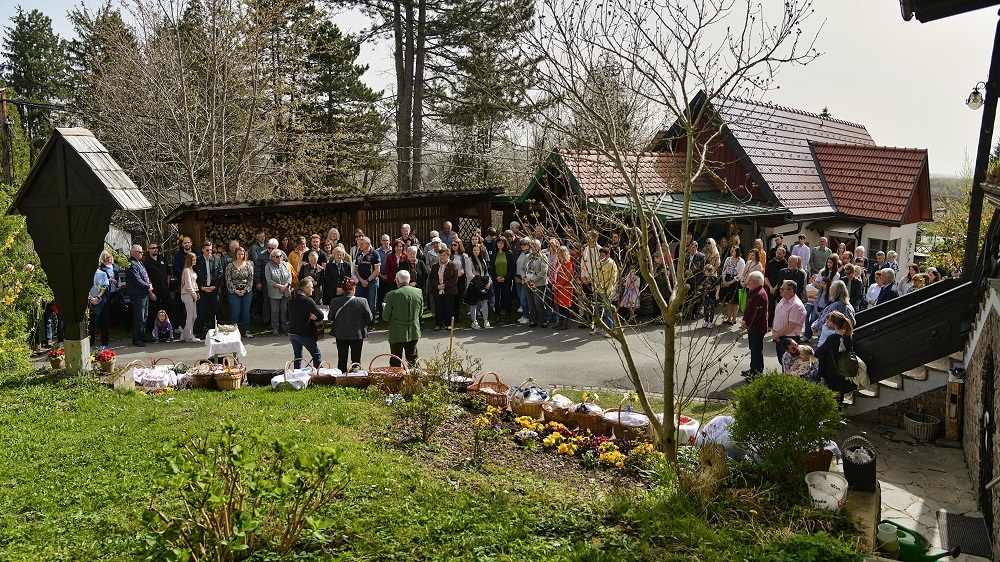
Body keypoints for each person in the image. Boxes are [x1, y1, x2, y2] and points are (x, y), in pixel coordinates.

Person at [329, 278, 373, 372]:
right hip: (357, 332)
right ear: (353, 288)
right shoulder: (362, 301)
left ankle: (341, 375)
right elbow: (369, 318)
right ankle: (355, 375)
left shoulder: (334, 301)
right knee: (356, 360)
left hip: (341, 332)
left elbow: (330, 318)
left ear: (342, 289)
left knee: (342, 358)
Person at [384, 270, 423, 367]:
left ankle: (397, 377)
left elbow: (385, 316)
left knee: (395, 359)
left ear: (397, 280)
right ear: (409, 280)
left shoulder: (391, 295)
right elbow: (420, 312)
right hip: (413, 330)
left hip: (397, 332)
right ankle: (415, 375)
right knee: (413, 359)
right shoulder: (418, 292)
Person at [815, 310, 856, 402]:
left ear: (834, 325)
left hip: (831, 371)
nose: (827, 323)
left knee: (830, 395)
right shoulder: (848, 336)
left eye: (829, 321)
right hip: (843, 370)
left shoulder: (832, 339)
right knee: (839, 395)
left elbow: (818, 352)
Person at [287, 277, 324, 370]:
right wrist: (312, 317)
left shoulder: (291, 298)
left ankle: (296, 374)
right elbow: (321, 316)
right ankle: (318, 374)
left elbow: (287, 315)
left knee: (298, 356)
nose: (312, 289)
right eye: (311, 287)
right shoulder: (307, 300)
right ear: (306, 288)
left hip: (292, 332)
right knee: (316, 354)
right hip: (303, 333)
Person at [811, 279, 855, 347]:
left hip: (830, 336)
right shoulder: (847, 304)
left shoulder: (837, 305)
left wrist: (815, 326)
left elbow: (826, 318)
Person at [126, 244, 155, 347]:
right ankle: (137, 339)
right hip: (137, 294)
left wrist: (149, 284)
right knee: (139, 317)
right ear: (134, 253)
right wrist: (147, 286)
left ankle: (142, 336)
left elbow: (146, 276)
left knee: (144, 316)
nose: (142, 254)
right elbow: (137, 279)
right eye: (140, 252)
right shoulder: (131, 264)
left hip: (144, 293)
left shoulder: (140, 263)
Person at [741, 271, 768, 377]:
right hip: (752, 327)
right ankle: (753, 369)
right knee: (753, 349)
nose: (748, 283)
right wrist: (744, 319)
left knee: (757, 350)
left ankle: (757, 373)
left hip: (757, 328)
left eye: (750, 281)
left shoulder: (759, 295)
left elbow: (757, 314)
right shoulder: (754, 292)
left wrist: (747, 323)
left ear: (756, 282)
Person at [771, 280, 806, 360]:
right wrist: (774, 331)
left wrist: (777, 335)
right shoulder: (783, 300)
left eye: (783, 289)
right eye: (780, 288)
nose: (780, 290)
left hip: (789, 339)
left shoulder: (796, 305)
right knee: (781, 360)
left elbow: (791, 326)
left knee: (789, 362)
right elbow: (776, 317)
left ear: (791, 291)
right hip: (779, 336)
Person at [144, 242, 173, 336]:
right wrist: (150, 292)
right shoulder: (146, 262)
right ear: (149, 250)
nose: (155, 249)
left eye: (156, 248)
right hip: (154, 290)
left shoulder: (163, 259)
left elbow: (168, 272)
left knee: (168, 308)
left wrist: (167, 282)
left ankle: (169, 329)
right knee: (154, 310)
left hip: (164, 289)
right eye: (153, 248)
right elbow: (146, 278)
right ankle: (154, 330)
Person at [225, 246, 255, 338]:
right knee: (235, 311)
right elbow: (228, 280)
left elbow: (251, 279)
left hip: (246, 291)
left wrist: (245, 290)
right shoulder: (230, 266)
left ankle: (247, 330)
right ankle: (233, 332)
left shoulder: (249, 265)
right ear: (235, 255)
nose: (240, 256)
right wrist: (235, 290)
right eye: (239, 254)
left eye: (242, 254)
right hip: (234, 291)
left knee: (246, 311)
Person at [88, 251, 115, 349]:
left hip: (101, 300)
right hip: (90, 301)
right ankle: (91, 341)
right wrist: (91, 298)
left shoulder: (103, 274)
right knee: (90, 323)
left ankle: (105, 341)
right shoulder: (86, 274)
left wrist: (98, 297)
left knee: (104, 321)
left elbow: (104, 287)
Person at [194, 240, 221, 337]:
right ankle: (200, 332)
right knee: (201, 311)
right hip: (202, 290)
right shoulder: (198, 260)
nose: (209, 252)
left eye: (210, 250)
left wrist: (215, 286)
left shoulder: (216, 259)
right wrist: (201, 287)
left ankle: (217, 331)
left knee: (215, 311)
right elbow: (195, 275)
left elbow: (220, 274)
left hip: (213, 290)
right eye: (207, 250)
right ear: (202, 250)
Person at [354, 236, 381, 332]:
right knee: (356, 299)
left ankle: (371, 324)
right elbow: (356, 269)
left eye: (362, 244)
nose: (360, 245)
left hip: (372, 281)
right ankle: (358, 321)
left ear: (368, 244)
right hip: (361, 281)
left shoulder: (375, 254)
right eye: (359, 244)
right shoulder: (359, 254)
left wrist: (368, 280)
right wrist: (361, 280)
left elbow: (377, 270)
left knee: (371, 302)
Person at [591, 246, 619, 336]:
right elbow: (594, 275)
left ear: (608, 255)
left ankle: (610, 330)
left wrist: (607, 289)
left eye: (602, 255)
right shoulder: (598, 263)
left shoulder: (612, 264)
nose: (601, 257)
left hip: (606, 290)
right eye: (600, 255)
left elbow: (613, 278)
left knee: (607, 311)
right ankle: (599, 328)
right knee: (598, 310)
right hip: (597, 289)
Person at [430, 246, 460, 331]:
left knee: (448, 307)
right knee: (438, 307)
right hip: (437, 290)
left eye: (444, 255)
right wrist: (437, 285)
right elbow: (431, 278)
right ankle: (438, 324)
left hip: (449, 290)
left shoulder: (453, 265)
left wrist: (445, 285)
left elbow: (455, 279)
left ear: (448, 256)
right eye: (441, 255)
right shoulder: (435, 266)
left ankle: (448, 324)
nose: (442, 257)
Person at [465, 243, 493, 329]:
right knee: (474, 303)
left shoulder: (483, 260)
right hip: (474, 284)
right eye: (474, 250)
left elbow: (486, 273)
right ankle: (474, 321)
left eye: (477, 250)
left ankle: (486, 320)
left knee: (484, 302)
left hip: (483, 284)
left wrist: (488, 282)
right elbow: (469, 274)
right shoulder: (469, 260)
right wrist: (478, 281)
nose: (476, 252)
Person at [264, 249, 292, 336]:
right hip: (274, 292)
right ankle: (275, 328)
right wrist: (279, 286)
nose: (279, 258)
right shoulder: (268, 266)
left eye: (280, 256)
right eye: (277, 256)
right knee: (275, 311)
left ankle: (284, 327)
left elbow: (289, 276)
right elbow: (269, 279)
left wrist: (286, 285)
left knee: (284, 310)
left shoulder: (284, 264)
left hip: (285, 291)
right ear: (272, 257)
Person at [397, 246, 429, 315]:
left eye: (414, 253)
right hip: (406, 288)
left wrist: (416, 282)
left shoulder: (420, 263)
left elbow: (425, 274)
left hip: (419, 287)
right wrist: (407, 284)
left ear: (416, 254)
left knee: (418, 305)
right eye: (410, 253)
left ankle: (418, 318)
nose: (412, 255)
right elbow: (399, 275)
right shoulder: (403, 264)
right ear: (407, 254)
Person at [490, 237, 515, 323]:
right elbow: (492, 268)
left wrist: (506, 277)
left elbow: (512, 267)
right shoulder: (495, 254)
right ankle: (497, 315)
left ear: (505, 244)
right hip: (497, 280)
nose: (499, 245)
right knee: (497, 297)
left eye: (501, 243)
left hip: (506, 279)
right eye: (498, 243)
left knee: (506, 297)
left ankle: (508, 315)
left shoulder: (508, 253)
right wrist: (496, 277)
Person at [719, 246, 745, 325]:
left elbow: (740, 274)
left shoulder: (741, 261)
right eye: (731, 250)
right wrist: (724, 280)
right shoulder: (728, 259)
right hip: (727, 279)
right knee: (729, 301)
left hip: (735, 282)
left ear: (737, 252)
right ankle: (729, 318)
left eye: (733, 251)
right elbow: (724, 270)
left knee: (734, 302)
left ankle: (734, 319)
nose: (731, 252)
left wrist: (731, 282)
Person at [179, 252, 201, 343]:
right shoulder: (187, 270)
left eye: (195, 260)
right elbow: (188, 285)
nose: (195, 261)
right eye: (193, 260)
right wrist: (194, 295)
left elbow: (194, 284)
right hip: (187, 294)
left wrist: (196, 293)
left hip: (192, 293)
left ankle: (184, 334)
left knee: (194, 315)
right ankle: (189, 336)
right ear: (189, 260)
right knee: (190, 315)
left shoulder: (191, 269)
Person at [764, 246, 787, 327]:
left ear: (784, 254)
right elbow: (766, 276)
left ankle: (778, 324)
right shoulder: (770, 263)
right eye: (777, 253)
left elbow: (783, 279)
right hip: (770, 287)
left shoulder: (785, 264)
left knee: (780, 307)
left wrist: (775, 288)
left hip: (780, 289)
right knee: (770, 307)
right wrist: (770, 287)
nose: (778, 255)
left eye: (780, 254)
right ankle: (769, 324)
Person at [552, 246, 574, 330]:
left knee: (565, 306)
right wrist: (553, 281)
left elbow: (568, 277)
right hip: (558, 287)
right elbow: (555, 273)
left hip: (565, 288)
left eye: (559, 253)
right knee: (560, 306)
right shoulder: (558, 263)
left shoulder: (568, 263)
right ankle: (560, 322)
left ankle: (565, 324)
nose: (558, 254)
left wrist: (557, 285)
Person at [514, 238, 534, 324]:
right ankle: (525, 315)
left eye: (525, 244)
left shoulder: (530, 254)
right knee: (520, 298)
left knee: (524, 298)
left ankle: (527, 316)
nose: (522, 246)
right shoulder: (519, 252)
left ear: (529, 245)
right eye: (521, 244)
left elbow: (529, 268)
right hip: (517, 277)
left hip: (525, 279)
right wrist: (515, 276)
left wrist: (523, 278)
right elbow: (514, 264)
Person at [700, 264, 719, 329]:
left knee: (711, 308)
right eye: (706, 272)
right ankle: (706, 320)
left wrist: (717, 294)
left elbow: (718, 286)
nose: (707, 273)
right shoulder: (703, 277)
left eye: (708, 272)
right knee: (705, 308)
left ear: (711, 271)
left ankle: (711, 321)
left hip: (712, 295)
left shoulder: (714, 278)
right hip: (705, 295)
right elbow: (701, 285)